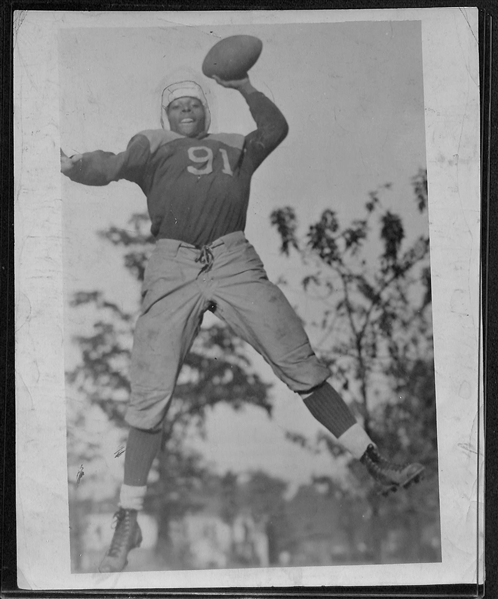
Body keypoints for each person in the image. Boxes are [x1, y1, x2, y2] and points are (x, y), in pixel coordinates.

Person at [61, 74, 425, 573]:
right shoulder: (153, 143)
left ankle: (375, 462)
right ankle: (128, 517)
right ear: (166, 115)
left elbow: (274, 130)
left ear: (207, 109)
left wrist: (245, 85)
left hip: (233, 257)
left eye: (194, 103)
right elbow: (111, 164)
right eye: (178, 105)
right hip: (173, 263)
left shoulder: (235, 146)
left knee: (298, 359)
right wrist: (72, 164)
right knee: (149, 389)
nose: (186, 109)